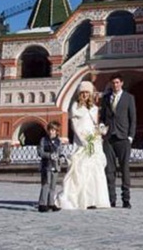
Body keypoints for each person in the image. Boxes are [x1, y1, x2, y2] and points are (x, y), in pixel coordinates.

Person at [58, 81, 109, 210]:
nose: (85, 95)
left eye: (87, 92)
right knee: (80, 170)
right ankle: (82, 200)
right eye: (83, 92)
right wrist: (84, 139)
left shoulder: (94, 108)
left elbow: (94, 124)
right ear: (80, 94)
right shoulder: (75, 107)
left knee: (94, 170)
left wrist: (99, 130)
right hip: (82, 142)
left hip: (94, 141)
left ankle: (95, 200)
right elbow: (74, 126)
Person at [100, 74, 136, 209]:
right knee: (109, 170)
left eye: (117, 82)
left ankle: (126, 199)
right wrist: (102, 127)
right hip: (109, 138)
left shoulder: (129, 98)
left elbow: (133, 118)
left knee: (124, 169)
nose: (115, 85)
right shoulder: (106, 98)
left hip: (123, 138)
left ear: (121, 83)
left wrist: (130, 136)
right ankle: (111, 199)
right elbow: (102, 117)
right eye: (113, 83)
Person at [37, 121, 64, 212]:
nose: (52, 132)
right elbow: (40, 152)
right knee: (45, 184)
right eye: (50, 130)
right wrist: (49, 155)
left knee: (53, 185)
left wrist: (61, 157)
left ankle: (51, 203)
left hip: (55, 165)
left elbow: (60, 151)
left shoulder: (58, 141)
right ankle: (42, 204)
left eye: (54, 130)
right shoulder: (43, 140)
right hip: (46, 165)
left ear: (57, 131)